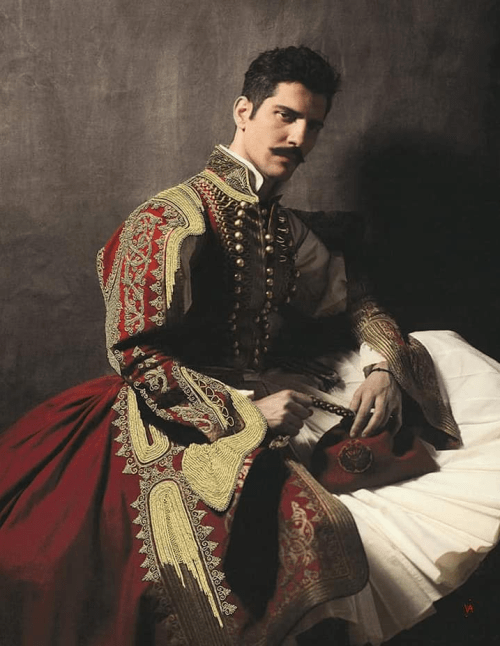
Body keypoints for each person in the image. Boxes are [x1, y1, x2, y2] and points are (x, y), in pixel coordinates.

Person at [0, 45, 499, 646]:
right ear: (244, 111)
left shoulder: (284, 226)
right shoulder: (169, 219)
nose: (299, 137)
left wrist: (385, 368)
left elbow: (355, 304)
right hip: (181, 410)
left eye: (313, 125)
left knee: (450, 363)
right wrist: (245, 414)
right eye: (285, 116)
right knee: (300, 538)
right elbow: (135, 353)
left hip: (276, 380)